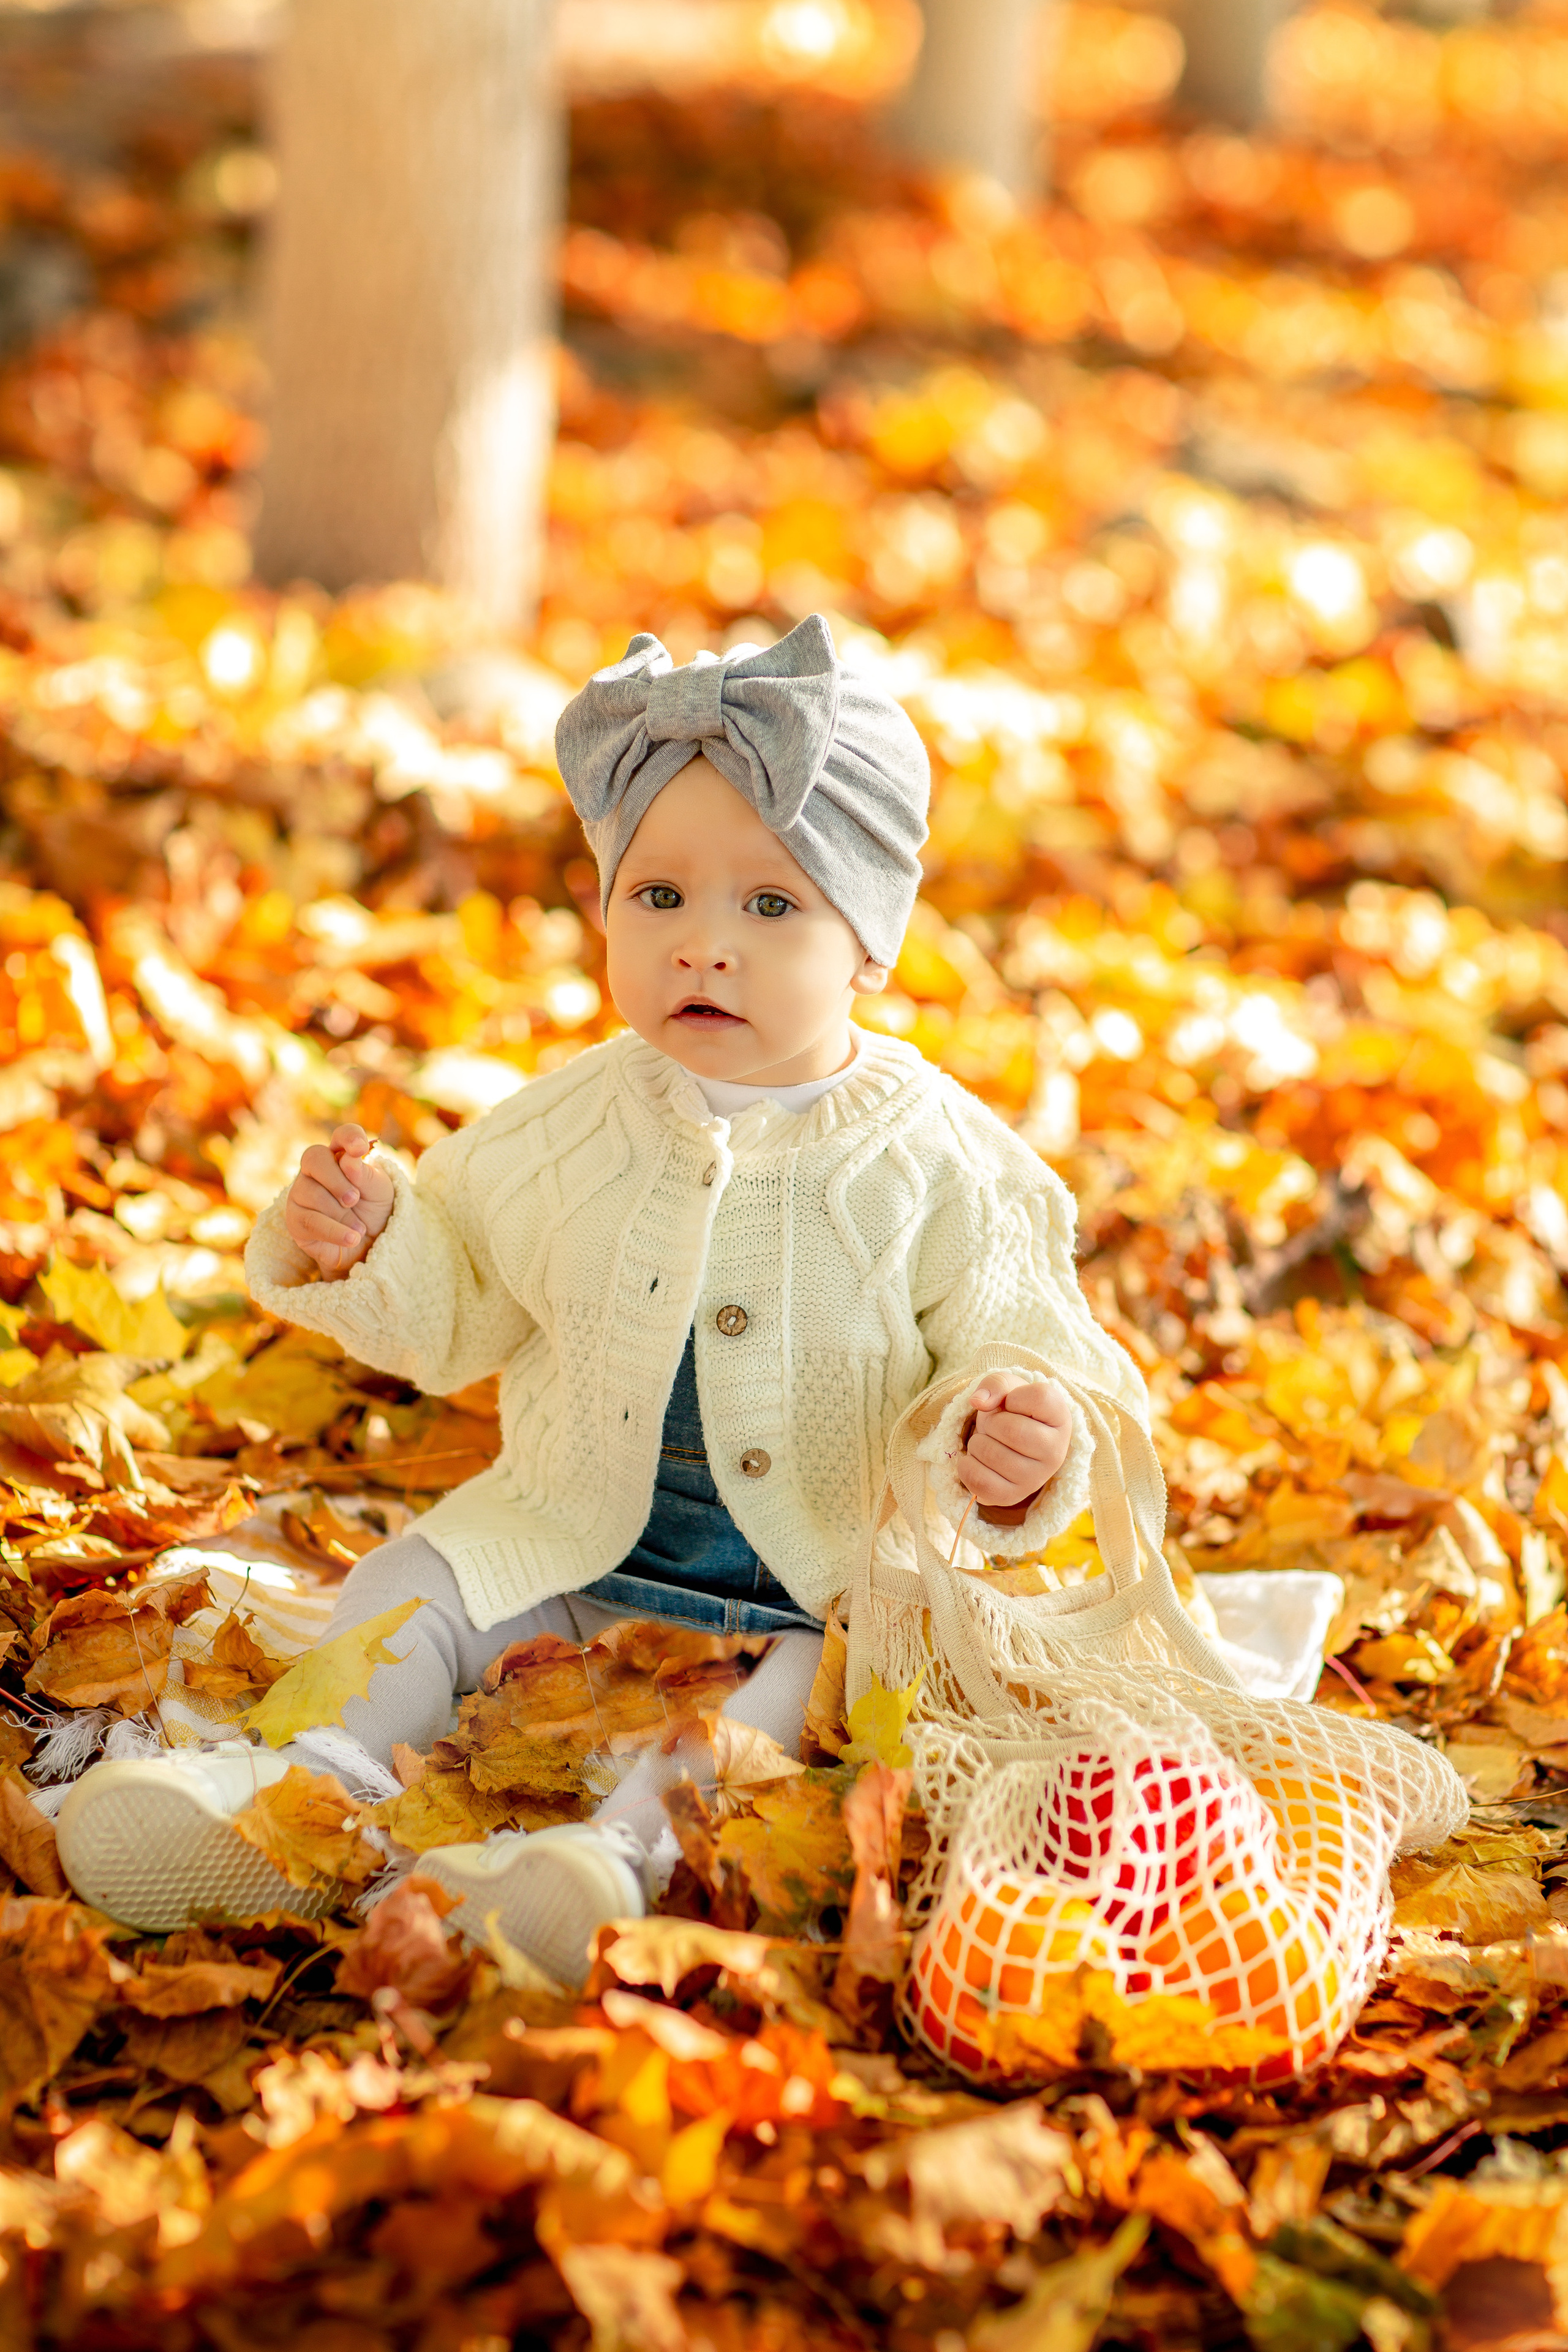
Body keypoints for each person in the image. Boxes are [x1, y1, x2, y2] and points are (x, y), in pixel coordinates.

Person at [56, 614, 1149, 1986]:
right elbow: (456, 1306)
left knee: (793, 1706)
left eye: (769, 905)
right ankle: (299, 1791)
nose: (703, 948)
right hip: (572, 1560)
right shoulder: (569, 1124)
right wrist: (369, 1240)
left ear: (868, 942)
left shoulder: (938, 1162)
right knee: (413, 1583)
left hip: (807, 1593)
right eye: (658, 899)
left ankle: (610, 1863)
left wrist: (1015, 1447)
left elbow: (1032, 1339)